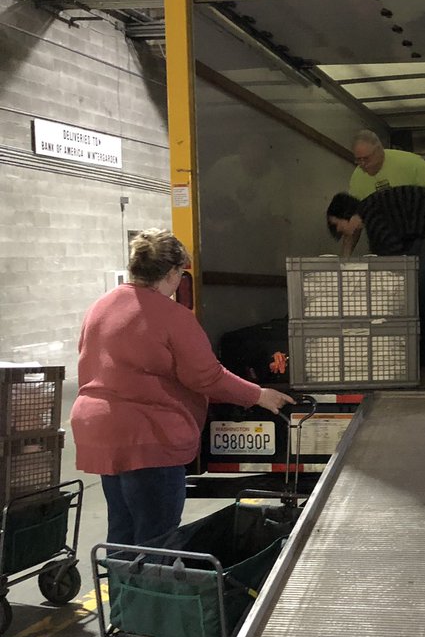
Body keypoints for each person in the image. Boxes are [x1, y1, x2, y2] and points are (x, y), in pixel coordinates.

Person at [71, 229, 294, 545]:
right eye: (180, 273)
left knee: (121, 533)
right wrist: (259, 395)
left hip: (103, 435)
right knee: (156, 540)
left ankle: (124, 595)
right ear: (172, 272)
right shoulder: (171, 316)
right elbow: (206, 376)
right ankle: (151, 593)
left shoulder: (100, 307)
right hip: (149, 439)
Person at [326, 186, 425, 367]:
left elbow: (391, 259)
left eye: (337, 225)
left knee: (415, 287)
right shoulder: (373, 208)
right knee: (424, 287)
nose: (341, 232)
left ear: (347, 215)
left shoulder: (372, 216)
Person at [343, 130, 425, 257]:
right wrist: (345, 258)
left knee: (419, 270)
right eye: (359, 160)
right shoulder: (358, 176)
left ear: (379, 150)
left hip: (421, 229)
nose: (363, 164)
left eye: (367, 159)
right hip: (390, 235)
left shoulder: (409, 162)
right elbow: (353, 223)